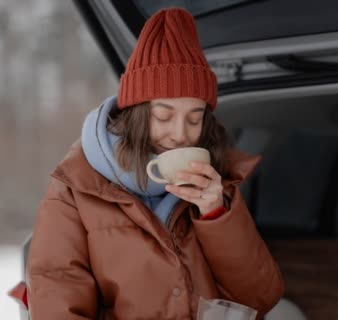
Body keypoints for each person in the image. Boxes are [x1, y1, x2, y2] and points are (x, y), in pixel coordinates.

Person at [26, 7, 284, 320]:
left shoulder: (217, 181)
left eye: (194, 118)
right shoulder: (76, 186)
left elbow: (261, 296)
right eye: (163, 116)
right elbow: (58, 300)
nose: (180, 135)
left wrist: (216, 214)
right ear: (136, 112)